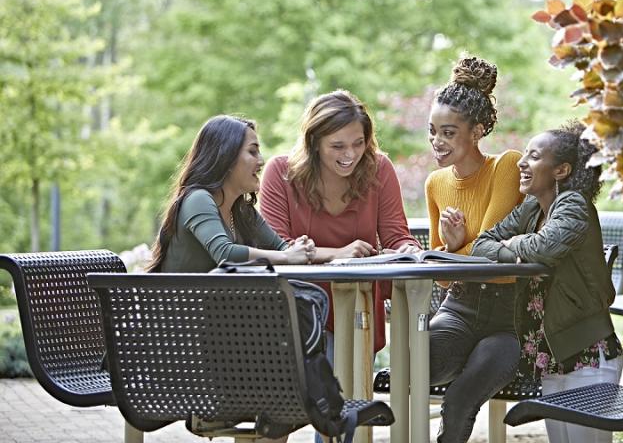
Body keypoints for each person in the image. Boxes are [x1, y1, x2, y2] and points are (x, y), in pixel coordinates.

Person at [472, 121, 623, 443]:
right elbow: (482, 244)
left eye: (534, 156)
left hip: (587, 353)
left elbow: (545, 249)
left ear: (561, 170)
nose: (521, 163)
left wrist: (514, 244)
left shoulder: (574, 205)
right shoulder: (531, 209)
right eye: (524, 154)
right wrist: (513, 248)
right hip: (553, 357)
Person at [258, 89, 420, 354]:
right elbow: (278, 250)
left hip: (358, 309)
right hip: (298, 313)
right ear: (314, 142)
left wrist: (407, 249)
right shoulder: (280, 173)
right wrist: (338, 255)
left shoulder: (379, 169)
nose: (350, 154)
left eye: (358, 143)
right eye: (338, 146)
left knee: (350, 383)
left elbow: (396, 235)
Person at [424, 57, 524, 443]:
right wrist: (452, 250)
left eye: (448, 133)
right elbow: (444, 277)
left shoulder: (507, 166)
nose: (437, 141)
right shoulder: (435, 183)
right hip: (459, 309)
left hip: (507, 318)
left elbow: (489, 253)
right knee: (415, 365)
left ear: (478, 131)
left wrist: (454, 249)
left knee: (461, 398)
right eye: (433, 131)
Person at [148, 115, 315, 273]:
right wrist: (287, 256)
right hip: (181, 303)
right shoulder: (198, 199)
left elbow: (281, 248)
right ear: (226, 157)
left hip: (217, 302)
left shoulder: (242, 210)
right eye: (252, 152)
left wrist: (299, 248)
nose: (261, 161)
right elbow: (225, 254)